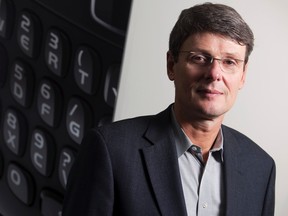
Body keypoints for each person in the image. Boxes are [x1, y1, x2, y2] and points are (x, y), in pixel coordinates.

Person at [62, 3, 275, 216]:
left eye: (229, 62)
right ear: (171, 65)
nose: (214, 74)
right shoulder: (110, 150)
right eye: (199, 58)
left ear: (243, 75)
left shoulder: (261, 169)